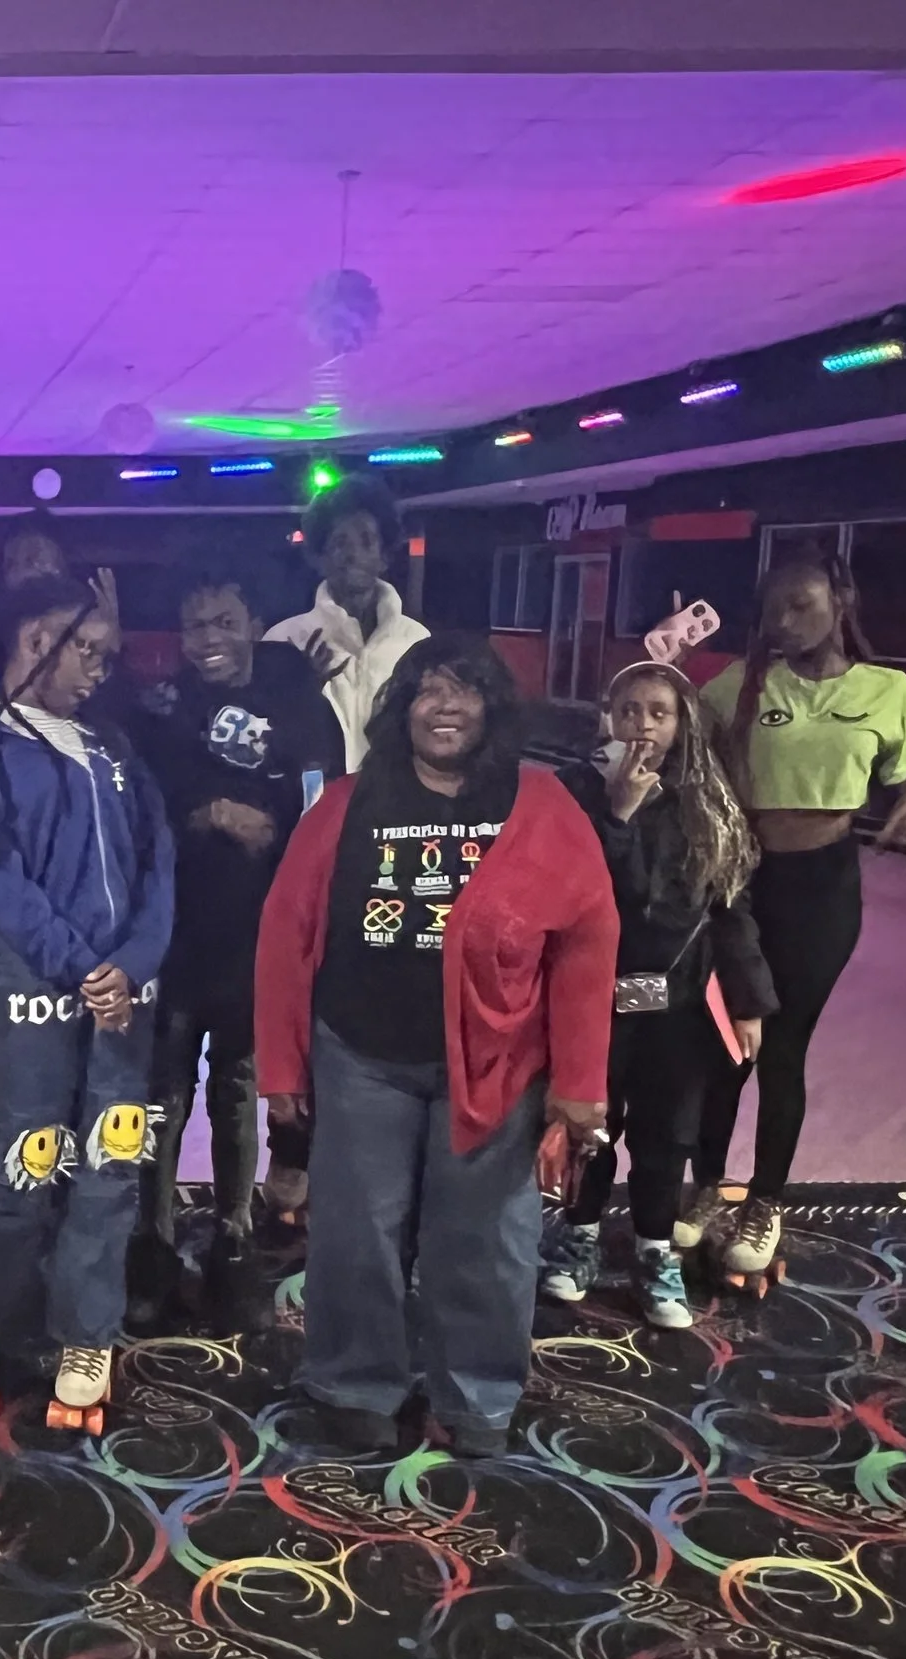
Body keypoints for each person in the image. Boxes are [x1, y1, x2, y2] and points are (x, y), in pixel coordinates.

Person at [253, 636, 616, 1458]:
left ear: (493, 707)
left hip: (498, 1060)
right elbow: (285, 935)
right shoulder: (345, 804)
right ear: (402, 708)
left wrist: (581, 1078)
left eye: (464, 691)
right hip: (361, 1053)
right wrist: (282, 1065)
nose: (444, 707)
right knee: (357, 1233)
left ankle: (477, 1396)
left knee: (485, 1239)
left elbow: (588, 942)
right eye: (426, 691)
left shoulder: (540, 803)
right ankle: (354, 1383)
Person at [0, 575, 173, 1428]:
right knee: (25, 1158)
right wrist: (76, 963)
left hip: (124, 993)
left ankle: (86, 1330)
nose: (101, 668)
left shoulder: (114, 746)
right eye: (87, 650)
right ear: (35, 642)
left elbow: (158, 861)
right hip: (34, 983)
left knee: (112, 1156)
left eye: (107, 653)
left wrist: (133, 961)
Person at [686, 548, 906, 1281]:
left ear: (842, 600)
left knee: (783, 1045)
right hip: (742, 881)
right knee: (725, 1043)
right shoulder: (740, 684)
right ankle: (707, 1187)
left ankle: (764, 1201)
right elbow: (676, 729)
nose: (784, 620)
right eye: (774, 608)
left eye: (801, 604)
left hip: (823, 887)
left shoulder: (888, 690)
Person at [126, 553, 342, 1328]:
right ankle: (151, 1245)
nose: (208, 638)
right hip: (175, 936)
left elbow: (323, 812)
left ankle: (234, 1238)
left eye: (223, 621)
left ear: (255, 623)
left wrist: (286, 851)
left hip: (261, 940)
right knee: (162, 1097)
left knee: (239, 1092)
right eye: (194, 625)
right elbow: (145, 809)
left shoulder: (301, 704)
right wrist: (209, 813)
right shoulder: (163, 709)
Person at [542, 659, 775, 1328]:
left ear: (682, 723)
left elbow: (731, 908)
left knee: (667, 1133)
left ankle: (654, 1250)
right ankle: (580, 1235)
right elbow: (579, 894)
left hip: (678, 999)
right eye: (628, 710)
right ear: (607, 717)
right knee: (589, 1124)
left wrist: (748, 1000)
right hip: (591, 995)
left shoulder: (708, 801)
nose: (642, 724)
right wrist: (618, 813)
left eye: (659, 712)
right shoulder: (573, 792)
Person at [262, 474, 429, 772]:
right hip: (314, 795)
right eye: (340, 543)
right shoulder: (284, 639)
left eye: (367, 541)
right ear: (319, 558)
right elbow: (262, 734)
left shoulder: (416, 640)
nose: (353, 554)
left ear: (384, 557)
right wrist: (301, 688)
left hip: (394, 795)